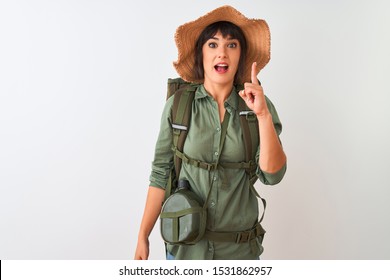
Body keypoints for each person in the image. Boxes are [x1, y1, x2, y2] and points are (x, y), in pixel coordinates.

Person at [134, 5, 287, 260]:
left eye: (232, 45)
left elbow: (273, 175)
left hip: (240, 255)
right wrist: (142, 236)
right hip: (185, 252)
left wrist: (262, 115)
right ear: (201, 53)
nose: (222, 54)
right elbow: (161, 173)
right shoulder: (179, 106)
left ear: (241, 55)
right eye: (213, 45)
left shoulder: (258, 106)